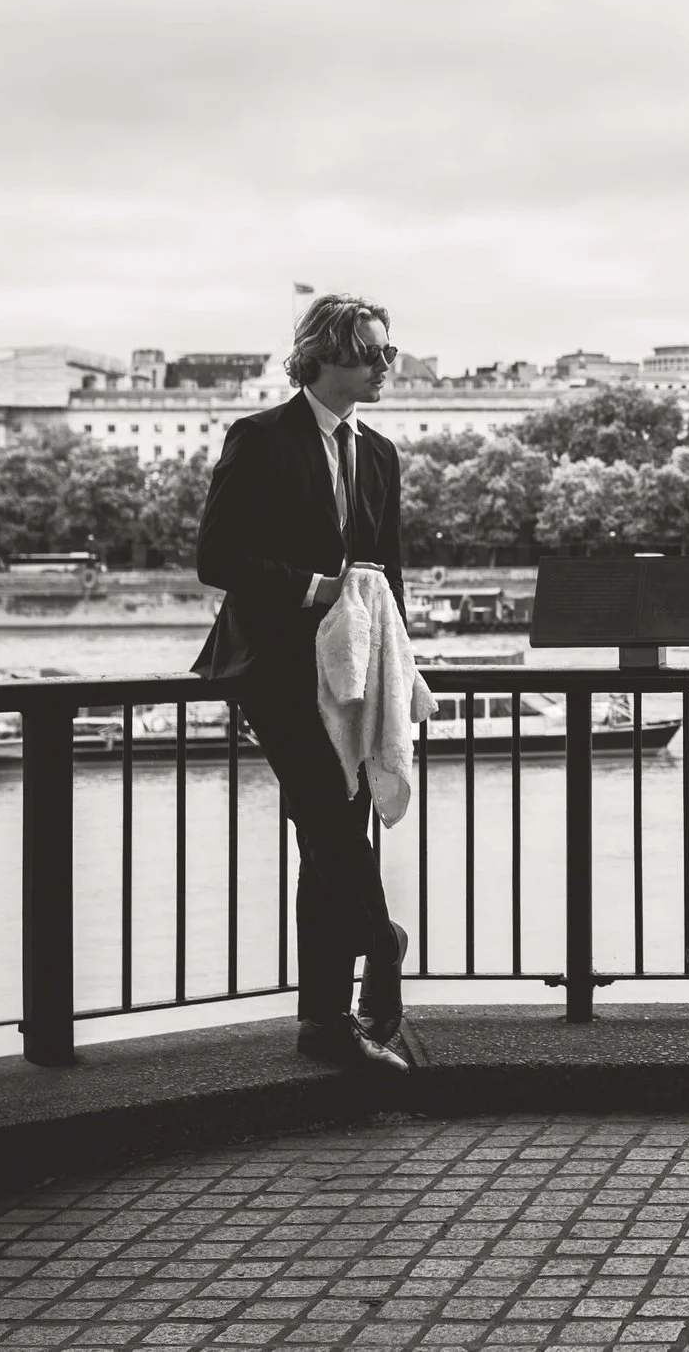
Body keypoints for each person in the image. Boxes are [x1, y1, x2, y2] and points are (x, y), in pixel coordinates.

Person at [193, 293, 411, 1072]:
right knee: (326, 819)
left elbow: (388, 577)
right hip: (276, 665)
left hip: (353, 673)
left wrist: (400, 670)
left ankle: (324, 1023)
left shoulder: (380, 452)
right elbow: (215, 560)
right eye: (375, 354)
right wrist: (313, 587)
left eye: (389, 352)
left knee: (329, 842)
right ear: (327, 356)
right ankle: (383, 950)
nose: (389, 366)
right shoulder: (258, 438)